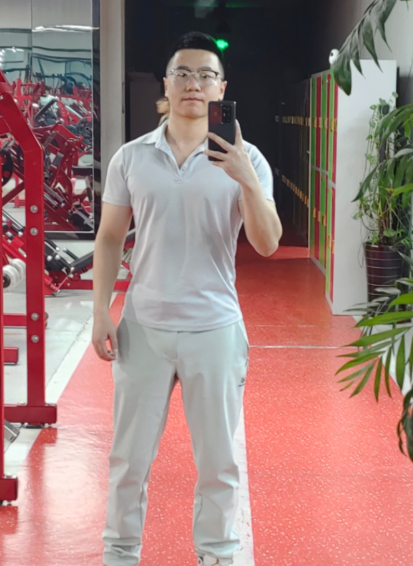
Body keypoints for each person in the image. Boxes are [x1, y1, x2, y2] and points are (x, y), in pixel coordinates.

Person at [92, 31, 282, 566]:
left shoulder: (247, 159)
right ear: (166, 86)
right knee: (128, 459)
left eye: (205, 75)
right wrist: (100, 311)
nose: (193, 84)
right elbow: (109, 238)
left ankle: (218, 554)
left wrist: (246, 179)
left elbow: (267, 243)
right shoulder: (131, 157)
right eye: (183, 74)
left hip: (214, 328)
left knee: (219, 462)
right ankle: (120, 553)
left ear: (221, 88)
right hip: (143, 328)